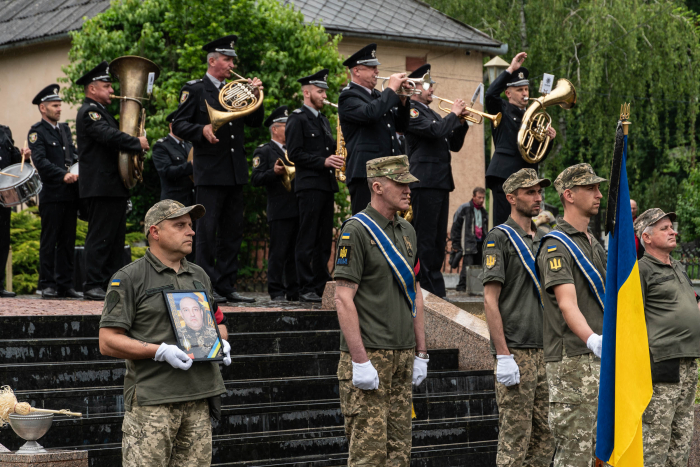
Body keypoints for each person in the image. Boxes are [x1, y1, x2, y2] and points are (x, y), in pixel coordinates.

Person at [98, 199, 232, 467]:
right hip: (153, 402)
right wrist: (158, 351)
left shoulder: (199, 275)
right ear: (155, 232)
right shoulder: (129, 278)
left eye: (191, 226)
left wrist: (221, 342)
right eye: (180, 225)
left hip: (199, 397)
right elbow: (107, 341)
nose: (191, 232)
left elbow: (220, 323)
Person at [334, 155, 428, 467]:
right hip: (371, 354)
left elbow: (414, 292)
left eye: (408, 183)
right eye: (400, 183)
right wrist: (360, 361)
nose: (408, 189)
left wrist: (421, 352)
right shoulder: (356, 230)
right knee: (368, 455)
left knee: (400, 454)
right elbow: (343, 299)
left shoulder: (407, 231)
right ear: (377, 186)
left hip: (403, 355)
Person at [172, 34, 264, 304]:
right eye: (227, 59)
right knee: (206, 233)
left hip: (235, 170)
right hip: (211, 171)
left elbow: (255, 120)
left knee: (232, 232)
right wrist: (201, 129)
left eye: (232, 59)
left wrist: (256, 95)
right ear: (212, 61)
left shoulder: (236, 88)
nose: (231, 63)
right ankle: (204, 285)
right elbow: (179, 124)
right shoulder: (197, 89)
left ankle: (226, 285)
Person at [536, 163, 607, 467]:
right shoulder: (556, 245)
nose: (599, 194)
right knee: (574, 456)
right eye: (590, 188)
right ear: (569, 195)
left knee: (598, 453)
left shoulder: (595, 244)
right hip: (573, 362)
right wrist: (593, 340)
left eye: (598, 187)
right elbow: (567, 304)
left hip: (599, 360)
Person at [482, 169, 554, 467]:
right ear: (511, 198)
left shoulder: (545, 240)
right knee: (515, 440)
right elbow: (489, 299)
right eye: (530, 192)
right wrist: (503, 354)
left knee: (546, 437)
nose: (538, 198)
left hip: (545, 350)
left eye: (539, 192)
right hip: (517, 351)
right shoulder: (499, 238)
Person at [75, 61, 148, 301]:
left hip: (111, 185)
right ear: (92, 89)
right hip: (100, 185)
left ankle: (108, 282)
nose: (111, 90)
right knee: (100, 236)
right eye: (106, 86)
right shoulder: (89, 112)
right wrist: (136, 143)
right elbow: (107, 136)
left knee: (115, 239)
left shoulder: (102, 112)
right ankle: (92, 283)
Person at [635, 208, 700, 467]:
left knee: (682, 436)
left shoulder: (678, 266)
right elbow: (630, 318)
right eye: (664, 228)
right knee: (656, 439)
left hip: (689, 360)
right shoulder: (641, 270)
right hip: (662, 363)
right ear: (646, 238)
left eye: (671, 227)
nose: (673, 231)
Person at [404, 63, 470, 298]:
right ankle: (423, 285)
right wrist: (452, 114)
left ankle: (434, 287)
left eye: (431, 84)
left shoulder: (431, 113)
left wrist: (461, 123)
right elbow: (435, 132)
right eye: (426, 84)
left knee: (437, 239)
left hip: (439, 182)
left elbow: (454, 144)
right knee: (425, 238)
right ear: (413, 88)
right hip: (424, 181)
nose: (431, 89)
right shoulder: (411, 110)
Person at [285, 70, 341, 302]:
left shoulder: (324, 120)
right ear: (307, 92)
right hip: (309, 185)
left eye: (324, 91)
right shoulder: (297, 118)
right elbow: (294, 153)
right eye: (320, 91)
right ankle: (305, 285)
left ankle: (321, 283)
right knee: (307, 237)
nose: (324, 95)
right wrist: (323, 161)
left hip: (326, 185)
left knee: (323, 239)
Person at [338, 43, 411, 214]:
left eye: (376, 67)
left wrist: (402, 100)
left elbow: (401, 126)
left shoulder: (379, 96)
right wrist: (392, 89)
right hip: (365, 174)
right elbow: (370, 114)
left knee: (386, 225)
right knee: (366, 225)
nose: (377, 71)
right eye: (371, 68)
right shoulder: (348, 96)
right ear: (356, 71)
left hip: (387, 172)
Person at [485, 52, 556, 226]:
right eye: (519, 90)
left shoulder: (532, 117)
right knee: (505, 225)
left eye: (526, 89)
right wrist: (510, 69)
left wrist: (549, 140)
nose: (525, 93)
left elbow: (536, 155)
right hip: (505, 176)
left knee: (525, 227)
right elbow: (490, 95)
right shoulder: (501, 108)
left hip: (527, 178)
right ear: (508, 93)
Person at [27, 84, 81, 299]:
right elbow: (39, 161)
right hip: (52, 194)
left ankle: (65, 284)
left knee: (68, 241)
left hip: (70, 194)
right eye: (55, 105)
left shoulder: (65, 130)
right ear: (43, 108)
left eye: (60, 105)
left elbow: (74, 154)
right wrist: (62, 174)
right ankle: (47, 284)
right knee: (50, 241)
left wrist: (79, 168)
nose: (59, 109)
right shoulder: (36, 132)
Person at [251, 105, 299, 301]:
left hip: (297, 207)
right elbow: (256, 178)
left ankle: (294, 290)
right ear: (275, 129)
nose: (289, 131)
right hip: (279, 209)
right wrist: (274, 173)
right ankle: (276, 290)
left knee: (295, 252)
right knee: (279, 251)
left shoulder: (294, 149)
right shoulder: (264, 151)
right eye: (286, 127)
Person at [0, 124, 30, 298]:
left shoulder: (4, 131)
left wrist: (23, 157)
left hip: (2, 197)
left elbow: (13, 162)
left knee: (2, 241)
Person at [152, 111, 194, 206]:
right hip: (173, 202)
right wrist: (190, 165)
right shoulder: (161, 146)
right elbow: (166, 172)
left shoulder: (189, 145)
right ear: (171, 126)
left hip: (191, 200)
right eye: (181, 126)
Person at [450, 187, 488, 292]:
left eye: (483, 198)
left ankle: (475, 288)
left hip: (480, 243)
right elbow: (456, 227)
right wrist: (456, 243)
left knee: (479, 267)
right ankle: (462, 288)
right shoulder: (464, 208)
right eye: (479, 197)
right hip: (468, 242)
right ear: (473, 197)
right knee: (467, 266)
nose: (481, 200)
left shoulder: (484, 212)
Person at [176, 295, 220, 359]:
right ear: (181, 314)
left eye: (195, 309)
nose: (192, 314)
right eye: (186, 310)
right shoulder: (177, 334)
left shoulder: (214, 332)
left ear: (201, 312)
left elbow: (222, 321)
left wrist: (221, 340)